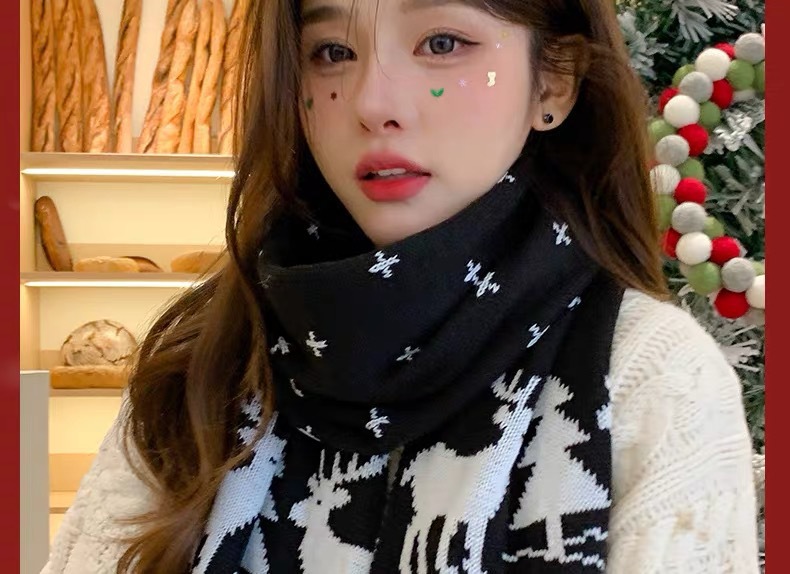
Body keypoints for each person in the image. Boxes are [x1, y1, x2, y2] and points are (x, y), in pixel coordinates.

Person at [43, 0, 760, 572]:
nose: (372, 102)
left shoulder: (651, 379)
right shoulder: (201, 360)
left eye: (442, 43)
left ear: (554, 81)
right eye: (331, 52)